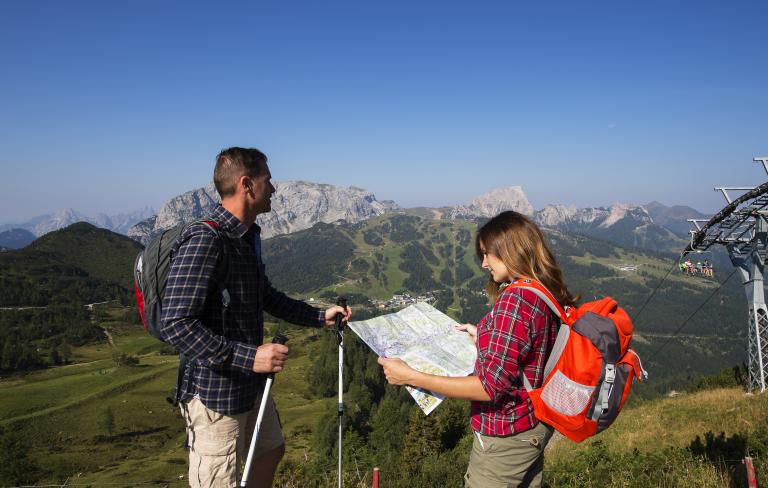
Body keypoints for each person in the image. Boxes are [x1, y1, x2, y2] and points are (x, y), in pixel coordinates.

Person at [160, 147, 351, 488]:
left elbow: (265, 296)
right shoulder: (206, 239)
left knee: (270, 451)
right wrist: (251, 357)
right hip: (214, 394)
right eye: (268, 180)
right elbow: (175, 323)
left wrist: (319, 316)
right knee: (221, 480)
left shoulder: (247, 236)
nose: (275, 189)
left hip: (249, 385)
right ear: (247, 184)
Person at [378, 211, 578, 488]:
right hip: (532, 425)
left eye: (488, 254)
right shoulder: (538, 289)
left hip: (506, 434)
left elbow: (489, 387)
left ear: (511, 250)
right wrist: (484, 336)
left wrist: (410, 376)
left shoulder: (515, 300)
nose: (483, 263)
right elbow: (528, 349)